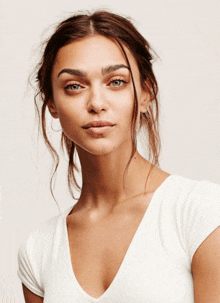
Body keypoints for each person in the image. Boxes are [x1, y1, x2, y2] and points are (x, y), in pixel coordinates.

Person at [17, 10, 220, 303]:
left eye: (116, 82)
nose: (97, 103)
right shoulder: (38, 251)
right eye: (74, 86)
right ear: (52, 103)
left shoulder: (200, 213)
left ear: (146, 93)